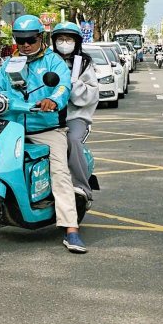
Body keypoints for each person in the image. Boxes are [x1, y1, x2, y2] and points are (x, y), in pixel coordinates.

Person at [0, 15, 86, 253]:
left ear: (40, 38)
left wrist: (53, 100)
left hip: (45, 128)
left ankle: (71, 229)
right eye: (19, 40)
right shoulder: (10, 63)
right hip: (11, 125)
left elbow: (64, 86)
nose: (25, 45)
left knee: (59, 172)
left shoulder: (54, 62)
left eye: (30, 39)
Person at [51, 22, 99, 201]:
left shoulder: (83, 63)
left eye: (68, 39)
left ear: (76, 42)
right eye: (60, 39)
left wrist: (71, 83)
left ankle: (81, 187)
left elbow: (92, 94)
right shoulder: (48, 60)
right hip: (45, 115)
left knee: (71, 140)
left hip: (75, 115)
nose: (64, 43)